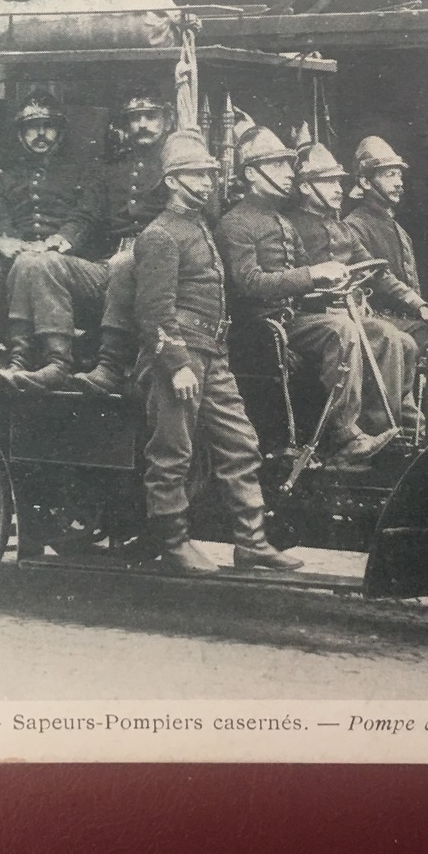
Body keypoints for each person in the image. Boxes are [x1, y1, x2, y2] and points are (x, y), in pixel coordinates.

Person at [134, 130, 306, 576]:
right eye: (197, 174)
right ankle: (173, 544)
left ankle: (251, 542)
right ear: (173, 181)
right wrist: (174, 366)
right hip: (182, 355)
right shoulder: (161, 235)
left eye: (210, 174)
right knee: (173, 451)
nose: (208, 182)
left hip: (213, 351)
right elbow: (154, 311)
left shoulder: (198, 227)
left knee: (241, 444)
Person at [215, 126, 396, 467]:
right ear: (252, 174)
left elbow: (304, 273)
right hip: (258, 328)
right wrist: (312, 275)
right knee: (340, 331)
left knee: (358, 328)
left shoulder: (280, 220)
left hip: (291, 320)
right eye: (278, 165)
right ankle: (343, 436)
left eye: (289, 164)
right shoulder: (235, 223)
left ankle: (376, 426)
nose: (289, 173)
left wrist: (339, 283)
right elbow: (248, 283)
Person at [12, 88, 172, 393]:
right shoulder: (111, 171)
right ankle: (57, 362)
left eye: (150, 117)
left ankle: (110, 366)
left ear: (166, 121)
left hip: (160, 265)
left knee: (126, 264)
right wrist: (61, 239)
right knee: (47, 263)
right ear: (125, 126)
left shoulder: (175, 167)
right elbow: (87, 215)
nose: (142, 124)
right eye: (135, 118)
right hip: (112, 264)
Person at [287, 141, 424, 433]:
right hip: (312, 317)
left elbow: (376, 270)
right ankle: (351, 431)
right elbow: (288, 279)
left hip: (348, 313)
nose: (338, 188)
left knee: (402, 341)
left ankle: (395, 426)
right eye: (327, 181)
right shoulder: (290, 227)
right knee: (366, 333)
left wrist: (419, 305)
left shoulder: (342, 228)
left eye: (338, 181)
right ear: (305, 188)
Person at [0, 94, 87, 390]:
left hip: (60, 262)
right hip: (19, 254)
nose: (41, 134)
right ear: (20, 135)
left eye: (48, 126)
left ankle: (22, 359)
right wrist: (3, 242)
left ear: (60, 132)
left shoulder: (80, 175)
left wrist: (62, 239)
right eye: (32, 127)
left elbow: (84, 217)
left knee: (32, 262)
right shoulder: (3, 181)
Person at [342, 135, 428, 352]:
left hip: (405, 320)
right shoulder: (353, 227)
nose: (398, 183)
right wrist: (421, 308)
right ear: (365, 182)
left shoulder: (399, 231)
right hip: (374, 322)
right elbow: (377, 279)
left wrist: (426, 310)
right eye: (389, 175)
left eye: (399, 175)